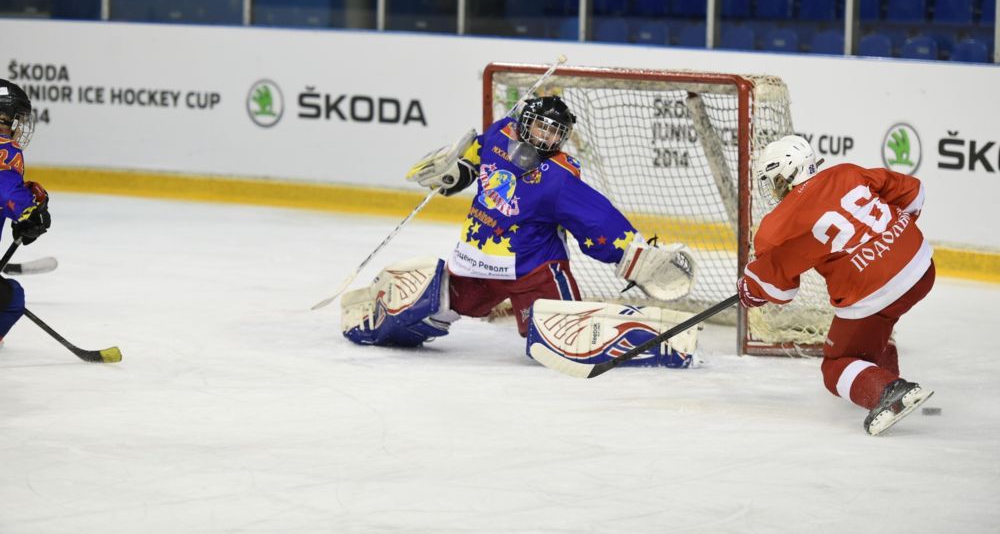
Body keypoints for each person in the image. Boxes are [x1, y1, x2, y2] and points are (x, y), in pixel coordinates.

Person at [340, 95, 695, 366]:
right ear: (525, 122)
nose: (547, 136)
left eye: (556, 131)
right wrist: (458, 172)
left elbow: (597, 222)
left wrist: (634, 256)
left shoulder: (558, 178)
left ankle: (654, 340)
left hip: (534, 270)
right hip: (475, 264)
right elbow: (477, 155)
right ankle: (381, 318)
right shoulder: (498, 136)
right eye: (542, 126)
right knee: (433, 306)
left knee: (558, 336)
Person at [737, 135, 934, 436]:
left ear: (788, 174)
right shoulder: (846, 172)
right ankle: (885, 378)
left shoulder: (778, 226)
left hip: (873, 291)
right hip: (922, 266)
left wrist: (751, 289)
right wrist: (890, 241)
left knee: (836, 365)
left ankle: (889, 391)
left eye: (774, 180)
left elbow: (780, 289)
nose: (774, 189)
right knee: (878, 321)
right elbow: (913, 193)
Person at [0, 79, 52, 348]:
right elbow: (5, 192)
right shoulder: (4, 150)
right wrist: (28, 211)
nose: (19, 126)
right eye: (15, 118)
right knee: (12, 298)